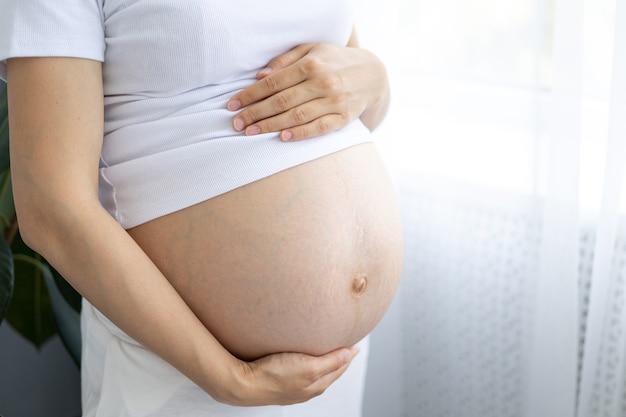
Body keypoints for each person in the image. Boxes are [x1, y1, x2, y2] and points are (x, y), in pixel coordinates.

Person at [0, 0, 404, 416]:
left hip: (333, 370)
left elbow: (356, 109)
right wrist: (229, 379)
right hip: (187, 374)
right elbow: (52, 208)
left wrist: (374, 78)